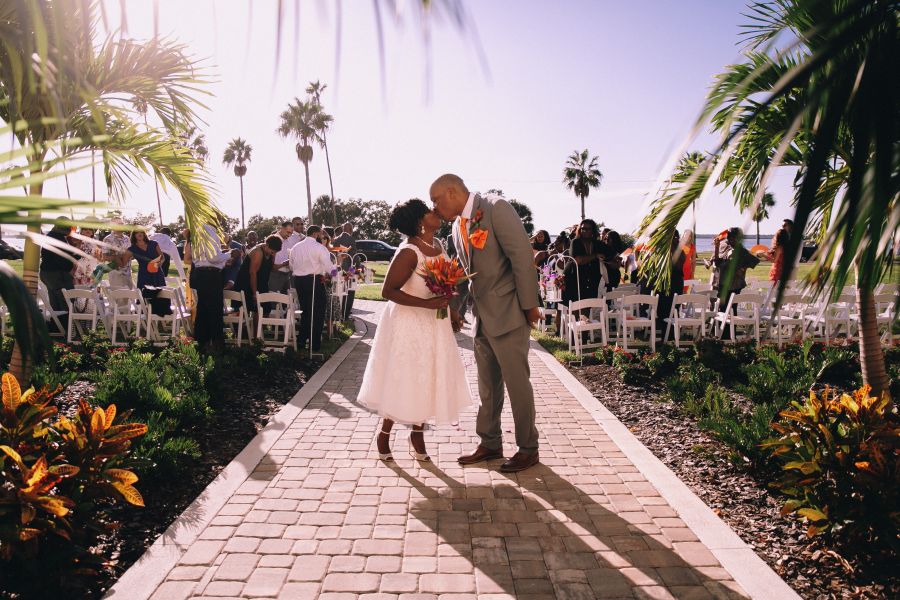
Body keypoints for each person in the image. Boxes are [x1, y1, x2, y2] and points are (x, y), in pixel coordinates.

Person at [431, 174, 541, 473]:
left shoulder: (496, 208)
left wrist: (531, 307)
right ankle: (490, 443)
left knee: (517, 384)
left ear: (451, 192)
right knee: (488, 387)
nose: (434, 206)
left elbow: (521, 258)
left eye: (436, 199)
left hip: (509, 313)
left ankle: (528, 448)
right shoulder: (457, 226)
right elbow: (467, 273)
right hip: (481, 317)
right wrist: (455, 308)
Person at [358, 199, 473, 461]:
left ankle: (417, 433)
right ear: (420, 222)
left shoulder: (438, 245)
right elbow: (388, 291)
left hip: (435, 322)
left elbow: (443, 287)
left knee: (428, 375)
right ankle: (385, 433)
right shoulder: (408, 252)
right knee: (405, 376)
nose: (436, 211)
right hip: (408, 323)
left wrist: (452, 311)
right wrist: (426, 304)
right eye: (429, 211)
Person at [290, 226, 333, 353]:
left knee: (306, 311)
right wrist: (336, 272)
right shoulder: (319, 248)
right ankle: (314, 343)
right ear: (315, 234)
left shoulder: (295, 247)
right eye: (320, 234)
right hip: (313, 280)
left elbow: (292, 265)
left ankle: (302, 340)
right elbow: (329, 267)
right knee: (318, 312)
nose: (322, 236)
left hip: (299, 281)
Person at [192, 224, 232, 350]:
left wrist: (223, 257)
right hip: (210, 276)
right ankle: (216, 342)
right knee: (214, 310)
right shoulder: (211, 233)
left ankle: (201, 341)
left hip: (200, 273)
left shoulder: (197, 231)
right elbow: (213, 258)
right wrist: (230, 254)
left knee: (203, 309)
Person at [234, 235, 281, 325]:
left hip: (261, 283)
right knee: (248, 308)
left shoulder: (271, 252)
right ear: (267, 245)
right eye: (272, 252)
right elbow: (253, 273)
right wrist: (255, 292)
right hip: (247, 283)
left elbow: (271, 267)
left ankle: (259, 333)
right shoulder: (258, 252)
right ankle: (248, 334)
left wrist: (283, 264)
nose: (274, 254)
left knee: (265, 308)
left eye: (275, 253)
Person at [712, 227, 760, 308]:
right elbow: (717, 263)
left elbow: (754, 261)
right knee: (723, 309)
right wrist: (717, 247)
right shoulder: (728, 249)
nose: (730, 240)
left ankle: (729, 320)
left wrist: (743, 268)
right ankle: (725, 320)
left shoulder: (742, 251)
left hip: (735, 285)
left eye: (732, 238)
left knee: (730, 308)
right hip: (724, 284)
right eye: (729, 238)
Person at [40, 223, 77, 324]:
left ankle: (56, 324)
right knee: (66, 299)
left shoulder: (51, 236)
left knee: (54, 299)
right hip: (56, 273)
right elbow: (62, 258)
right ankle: (66, 324)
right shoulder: (58, 239)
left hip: (47, 272)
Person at [567, 219, 606, 301]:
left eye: (588, 229)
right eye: (582, 229)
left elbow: (612, 255)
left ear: (593, 230)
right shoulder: (575, 242)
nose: (585, 231)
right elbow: (577, 260)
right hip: (575, 279)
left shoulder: (597, 243)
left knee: (590, 306)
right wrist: (595, 256)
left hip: (593, 281)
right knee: (576, 307)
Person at [332, 222, 357, 320]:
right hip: (348, 270)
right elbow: (354, 257)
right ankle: (345, 314)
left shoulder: (336, 239)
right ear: (351, 230)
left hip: (337, 268)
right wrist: (355, 269)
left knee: (338, 291)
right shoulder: (351, 239)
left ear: (343, 229)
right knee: (349, 292)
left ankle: (338, 313)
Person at [103, 220, 134, 290]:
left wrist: (129, 256)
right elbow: (104, 257)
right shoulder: (107, 239)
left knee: (128, 296)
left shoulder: (127, 238)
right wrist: (117, 257)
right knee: (118, 297)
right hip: (115, 273)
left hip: (127, 273)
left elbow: (130, 254)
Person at [267, 221, 295, 295]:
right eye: (287, 232)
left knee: (287, 302)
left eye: (291, 233)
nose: (289, 235)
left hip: (287, 275)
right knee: (274, 301)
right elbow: (270, 265)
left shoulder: (289, 241)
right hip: (275, 275)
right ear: (282, 228)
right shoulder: (273, 240)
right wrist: (283, 264)